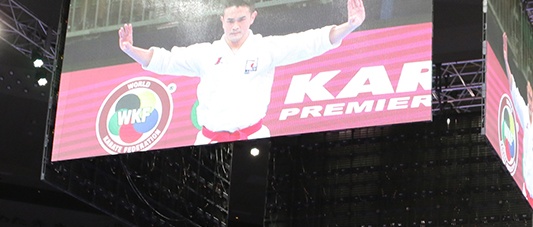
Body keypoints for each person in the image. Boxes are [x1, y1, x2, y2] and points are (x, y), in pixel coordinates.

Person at [118, 0, 366, 143]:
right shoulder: (205, 53)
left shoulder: (266, 49)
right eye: (230, 21)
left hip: (254, 138)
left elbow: (309, 42)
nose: (235, 26)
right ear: (221, 21)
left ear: (252, 17)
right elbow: (164, 60)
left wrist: (349, 26)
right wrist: (130, 50)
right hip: (208, 140)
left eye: (241, 19)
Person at [502, 31, 533, 202]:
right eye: (529, 96)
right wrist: (506, 59)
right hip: (525, 181)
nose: (530, 100)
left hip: (532, 191)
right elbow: (512, 84)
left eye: (531, 97)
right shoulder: (523, 111)